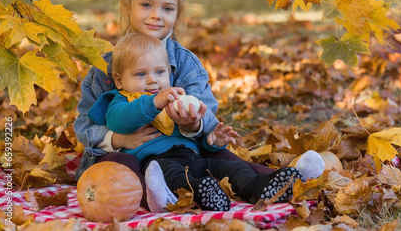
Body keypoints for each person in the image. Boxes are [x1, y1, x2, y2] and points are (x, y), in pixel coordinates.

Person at [73, 0, 273, 211]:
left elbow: (206, 117)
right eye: (146, 5)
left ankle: (270, 182)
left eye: (167, 8)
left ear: (177, 14)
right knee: (123, 165)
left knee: (222, 160)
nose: (156, 14)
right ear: (127, 6)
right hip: (126, 155)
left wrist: (194, 124)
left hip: (185, 151)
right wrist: (119, 138)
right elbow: (84, 126)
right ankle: (157, 197)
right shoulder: (106, 65)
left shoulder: (186, 63)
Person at [89, 33, 302, 211]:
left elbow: (194, 134)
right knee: (175, 178)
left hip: (193, 156)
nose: (153, 80)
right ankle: (202, 193)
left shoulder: (174, 99)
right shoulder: (122, 100)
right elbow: (119, 122)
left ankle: (259, 186)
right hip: (158, 161)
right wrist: (153, 103)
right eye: (141, 74)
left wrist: (212, 138)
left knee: (228, 168)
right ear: (119, 80)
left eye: (160, 72)